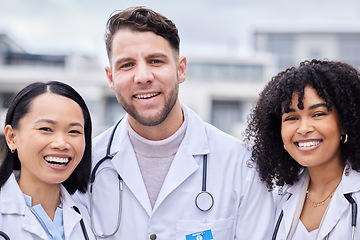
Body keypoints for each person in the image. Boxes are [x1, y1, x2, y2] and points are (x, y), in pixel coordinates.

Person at [73, 6, 274, 240]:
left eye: (155, 61)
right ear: (111, 78)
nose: (143, 76)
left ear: (180, 69)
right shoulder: (85, 166)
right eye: (127, 65)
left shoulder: (242, 166)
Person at [245, 59, 360, 239]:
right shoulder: (278, 197)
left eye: (318, 114)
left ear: (345, 123)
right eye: (291, 118)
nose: (304, 128)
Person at [0, 81, 95, 240]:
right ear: (11, 137)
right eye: (46, 129)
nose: (61, 144)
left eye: (74, 131)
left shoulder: (88, 217)